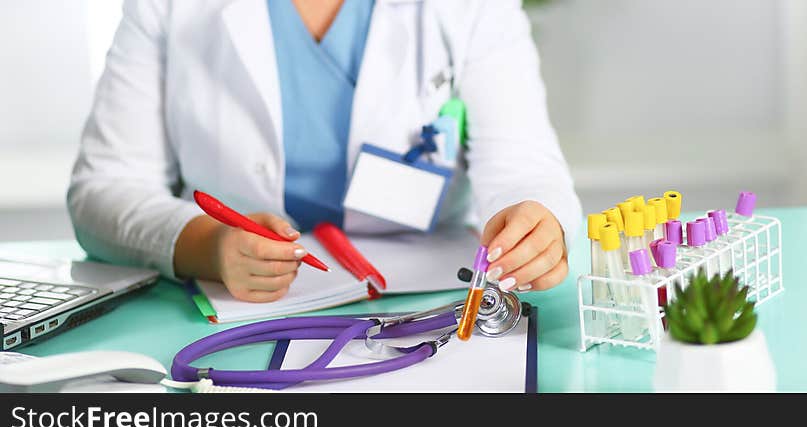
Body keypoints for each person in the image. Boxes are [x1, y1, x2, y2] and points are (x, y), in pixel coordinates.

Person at [68, 0, 583, 302]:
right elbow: (104, 188)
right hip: (238, 309)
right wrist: (210, 245)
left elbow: (524, 165)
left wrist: (538, 222)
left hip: (431, 304)